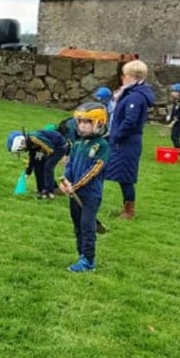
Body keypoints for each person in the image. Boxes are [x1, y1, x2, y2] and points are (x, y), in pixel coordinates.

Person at [58, 102, 110, 272]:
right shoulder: (77, 144)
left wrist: (76, 185)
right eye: (80, 121)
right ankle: (81, 254)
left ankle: (89, 261)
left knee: (87, 227)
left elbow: (94, 170)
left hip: (90, 195)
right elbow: (69, 165)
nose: (82, 125)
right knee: (78, 226)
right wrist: (66, 182)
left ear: (99, 123)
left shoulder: (102, 145)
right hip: (74, 194)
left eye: (87, 122)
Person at [104, 60, 155, 219]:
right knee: (110, 171)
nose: (122, 78)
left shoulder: (136, 97)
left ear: (133, 76)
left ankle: (129, 210)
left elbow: (130, 121)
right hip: (122, 140)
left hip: (127, 142)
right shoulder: (130, 93)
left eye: (124, 75)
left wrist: (116, 136)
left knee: (125, 177)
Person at [8, 125, 70, 199]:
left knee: (48, 166)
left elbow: (50, 148)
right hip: (48, 147)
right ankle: (41, 189)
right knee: (37, 165)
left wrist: (42, 156)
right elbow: (32, 159)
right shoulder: (30, 144)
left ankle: (49, 191)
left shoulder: (34, 138)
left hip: (59, 145)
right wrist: (27, 172)